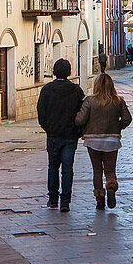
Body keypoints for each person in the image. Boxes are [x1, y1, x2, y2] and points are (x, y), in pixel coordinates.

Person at [75, 72, 132, 210]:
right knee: (110, 170)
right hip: (112, 140)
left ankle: (99, 199)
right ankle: (111, 186)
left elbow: (80, 120)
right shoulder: (118, 101)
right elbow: (127, 119)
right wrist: (118, 127)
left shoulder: (89, 101)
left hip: (93, 140)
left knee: (97, 170)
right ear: (111, 86)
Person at [36, 58, 84, 212]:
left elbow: (41, 112)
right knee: (68, 168)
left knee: (53, 166)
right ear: (70, 72)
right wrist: (78, 131)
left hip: (53, 135)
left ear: (54, 72)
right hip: (70, 135)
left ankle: (52, 198)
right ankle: (65, 201)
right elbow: (82, 112)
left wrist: (48, 128)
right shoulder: (76, 90)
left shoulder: (47, 90)